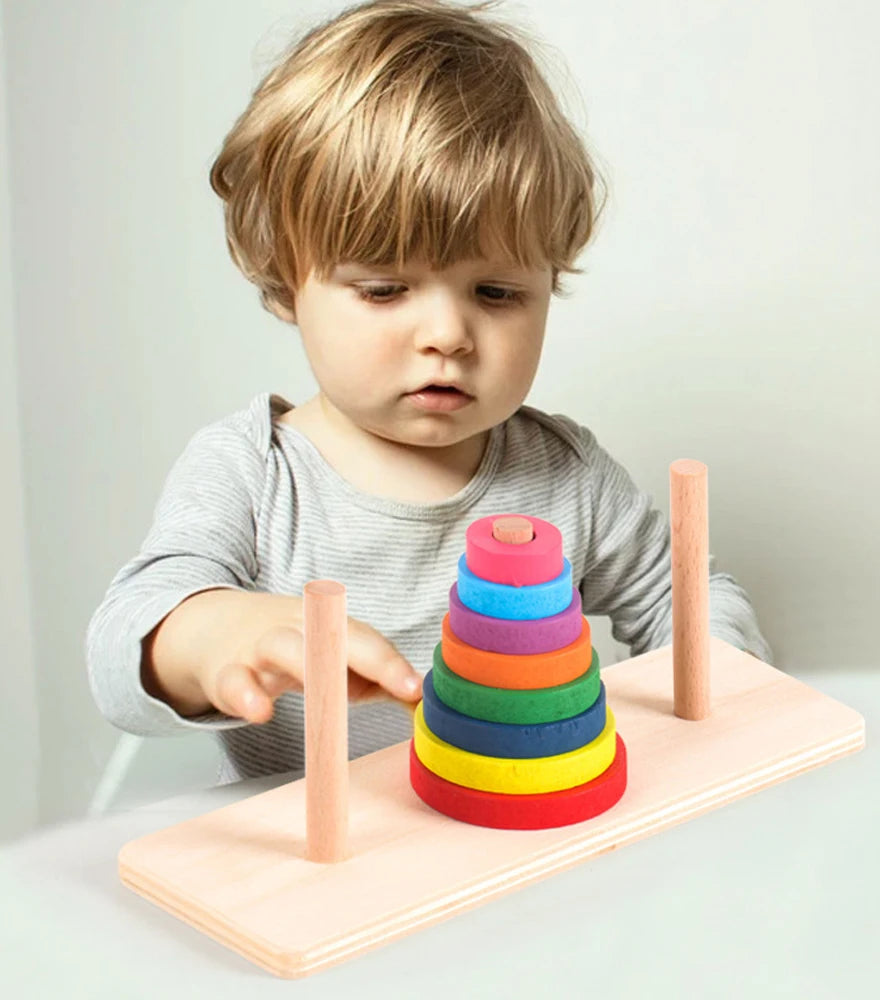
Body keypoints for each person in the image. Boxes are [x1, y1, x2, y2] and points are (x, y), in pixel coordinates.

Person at [86, 0, 772, 785]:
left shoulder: (566, 475)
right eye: (384, 289)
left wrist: (714, 671)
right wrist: (213, 633)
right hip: (335, 866)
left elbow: (686, 594)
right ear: (285, 281)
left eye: (497, 292)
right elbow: (119, 655)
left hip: (515, 840)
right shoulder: (254, 474)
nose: (448, 333)